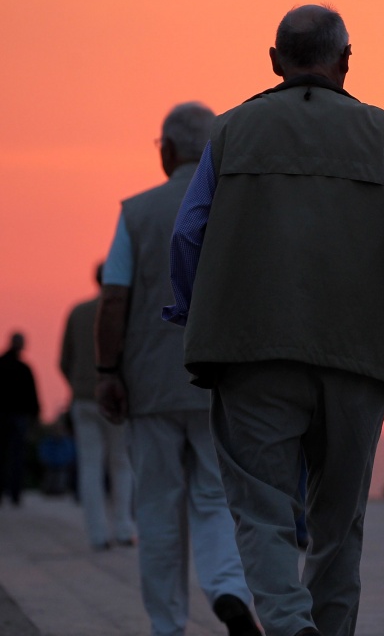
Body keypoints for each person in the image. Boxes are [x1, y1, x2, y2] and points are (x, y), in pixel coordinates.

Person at [164, 4, 384, 636]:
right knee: (338, 522)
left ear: (274, 62)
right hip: (355, 357)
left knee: (262, 511)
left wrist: (198, 316)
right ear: (346, 61)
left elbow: (188, 235)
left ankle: (287, 621)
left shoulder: (230, 134)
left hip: (250, 353)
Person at [96, 102, 259, 636]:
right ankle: (228, 590)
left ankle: (167, 624)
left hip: (150, 384)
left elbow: (114, 299)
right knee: (215, 499)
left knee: (160, 508)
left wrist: (107, 371)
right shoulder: (234, 210)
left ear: (165, 150)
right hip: (218, 382)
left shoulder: (137, 212)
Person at [62, 264, 136, 549]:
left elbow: (63, 359)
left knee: (90, 466)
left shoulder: (77, 312)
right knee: (121, 463)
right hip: (118, 397)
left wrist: (78, 383)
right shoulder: (125, 312)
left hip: (83, 398)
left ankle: (96, 533)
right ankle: (122, 528)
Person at [0, 332, 39, 506]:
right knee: (16, 456)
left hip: (4, 417)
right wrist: (35, 417)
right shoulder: (24, 369)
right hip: (18, 417)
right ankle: (15, 494)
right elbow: (32, 396)